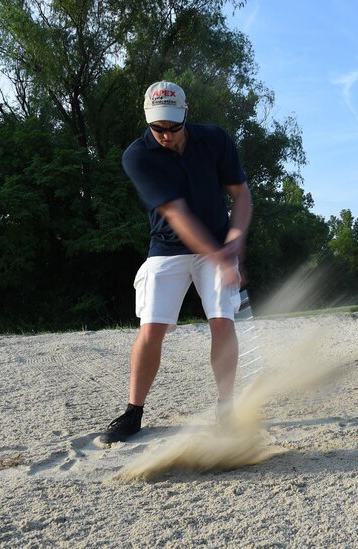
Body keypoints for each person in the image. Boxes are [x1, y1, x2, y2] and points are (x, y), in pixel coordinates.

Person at [99, 81, 252, 444]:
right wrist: (223, 257)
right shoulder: (137, 155)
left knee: (221, 320)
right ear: (147, 119)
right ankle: (134, 411)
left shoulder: (214, 140)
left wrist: (234, 241)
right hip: (166, 248)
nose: (165, 134)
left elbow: (241, 193)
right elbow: (176, 213)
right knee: (152, 329)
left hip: (215, 243)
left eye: (173, 125)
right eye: (157, 127)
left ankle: (226, 407)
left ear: (186, 113)